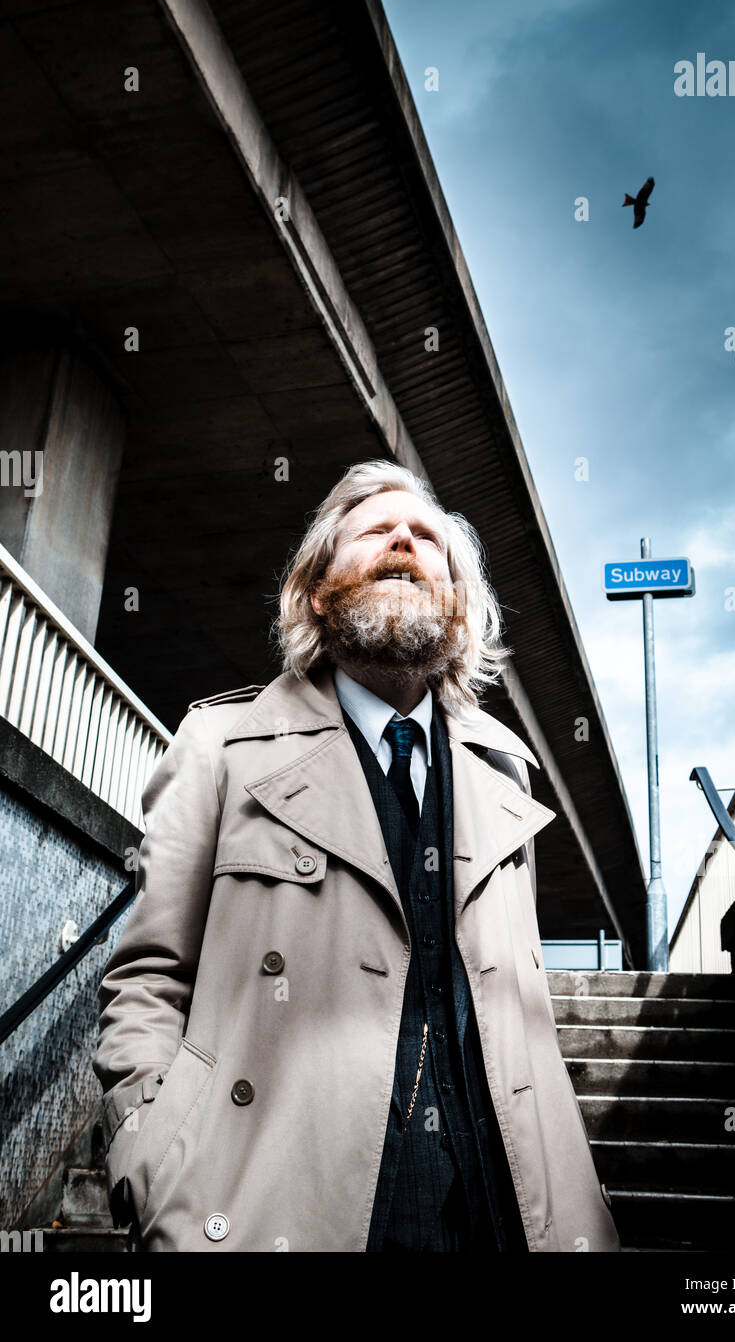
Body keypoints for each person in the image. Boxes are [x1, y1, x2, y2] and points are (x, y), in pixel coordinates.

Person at [93, 459, 620, 1253]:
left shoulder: (507, 773)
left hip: (503, 1215)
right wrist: (148, 1150)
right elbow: (148, 979)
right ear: (315, 590)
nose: (404, 537)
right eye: (375, 530)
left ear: (458, 607)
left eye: (426, 538)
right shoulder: (222, 745)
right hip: (283, 1212)